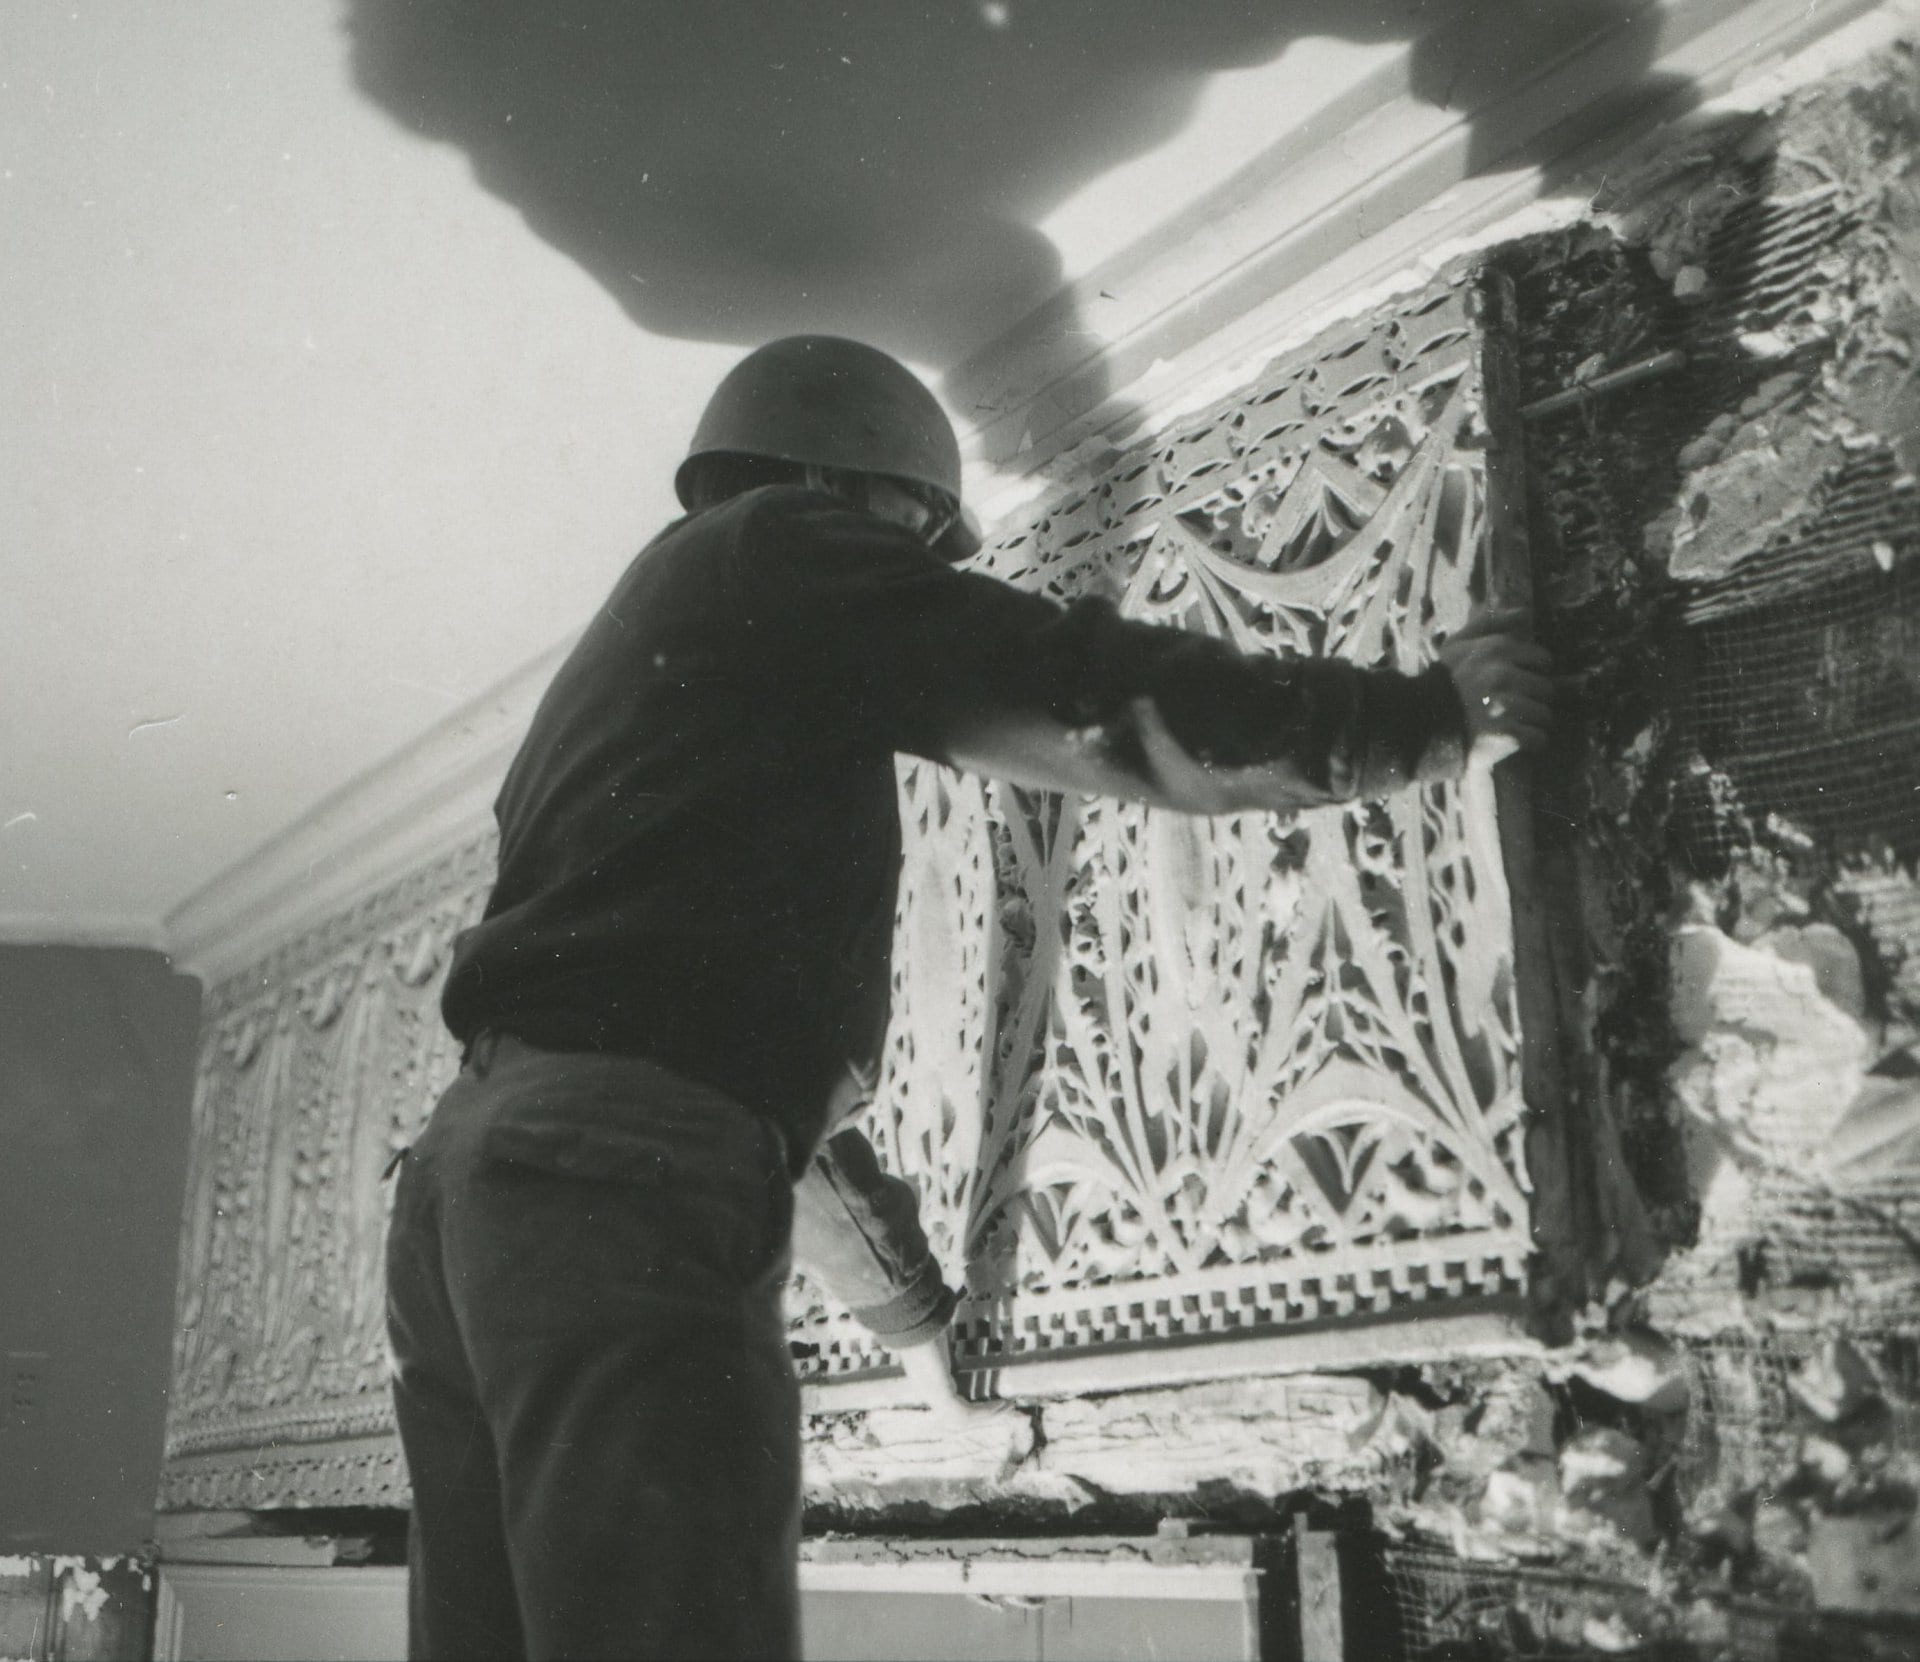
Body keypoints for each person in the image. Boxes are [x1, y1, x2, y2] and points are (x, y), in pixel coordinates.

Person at [383, 335, 1552, 1660]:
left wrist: (914, 1330)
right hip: (600, 1175)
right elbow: (1079, 694)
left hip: (470, 1187)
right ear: (844, 484)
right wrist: (1423, 721)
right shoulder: (779, 542)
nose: (916, 576)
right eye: (916, 542)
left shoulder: (637, 683)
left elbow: (708, 1087)